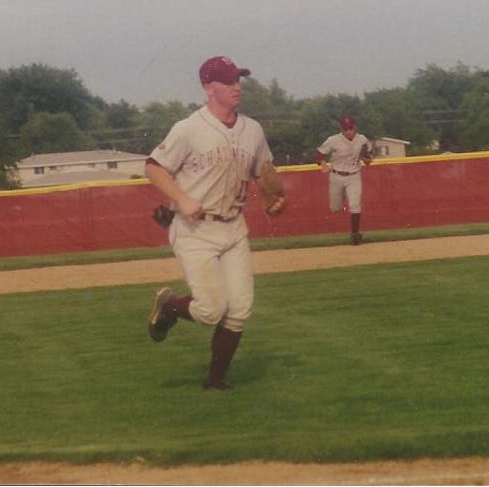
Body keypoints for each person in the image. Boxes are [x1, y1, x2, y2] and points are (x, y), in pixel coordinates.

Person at [144, 55, 287, 391]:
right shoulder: (189, 129)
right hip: (196, 229)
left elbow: (264, 174)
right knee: (210, 309)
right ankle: (168, 308)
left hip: (234, 227)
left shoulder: (252, 129)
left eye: (238, 80)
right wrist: (181, 198)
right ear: (210, 88)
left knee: (239, 310)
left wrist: (274, 200)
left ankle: (214, 383)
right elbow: (153, 167)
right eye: (228, 81)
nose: (236, 87)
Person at [315, 114, 373, 245]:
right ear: (342, 129)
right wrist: (323, 165)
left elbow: (369, 157)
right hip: (336, 175)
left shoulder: (362, 139)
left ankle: (355, 234)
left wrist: (367, 158)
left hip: (354, 175)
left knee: (355, 204)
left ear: (355, 127)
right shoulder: (333, 140)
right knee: (335, 207)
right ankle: (352, 228)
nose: (349, 131)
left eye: (351, 128)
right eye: (346, 129)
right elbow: (319, 153)